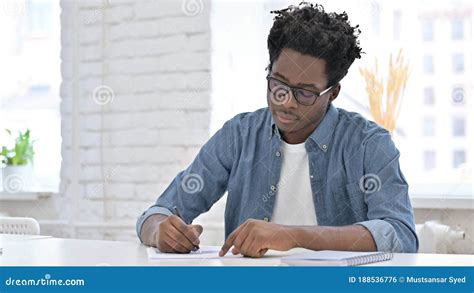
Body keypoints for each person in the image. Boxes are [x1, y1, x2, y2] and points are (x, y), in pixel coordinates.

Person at [136, 2, 418, 258]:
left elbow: (400, 235)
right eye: (279, 84)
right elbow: (157, 214)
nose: (285, 102)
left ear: (333, 93)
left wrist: (291, 235)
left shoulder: (369, 144)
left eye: (305, 93)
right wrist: (160, 231)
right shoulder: (239, 136)